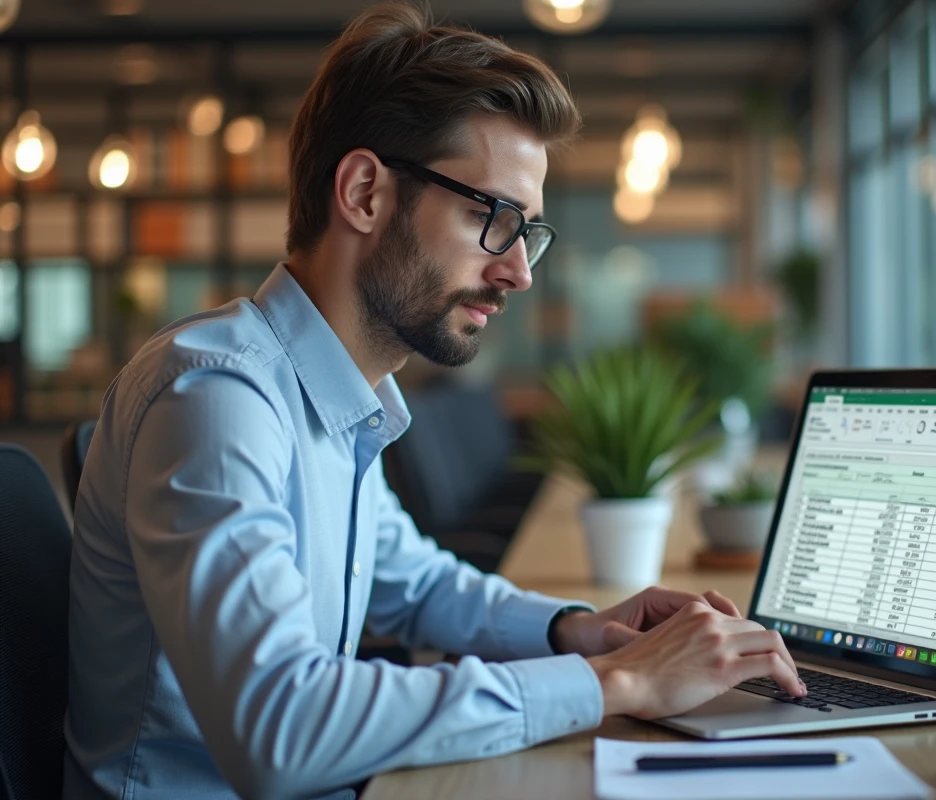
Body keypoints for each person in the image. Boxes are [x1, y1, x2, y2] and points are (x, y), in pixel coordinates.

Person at [62, 4, 806, 799]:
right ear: (364, 193)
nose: (519, 270)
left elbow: (409, 581)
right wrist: (616, 684)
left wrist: (578, 630)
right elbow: (278, 727)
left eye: (529, 232)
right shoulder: (218, 398)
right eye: (493, 217)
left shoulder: (340, 396)